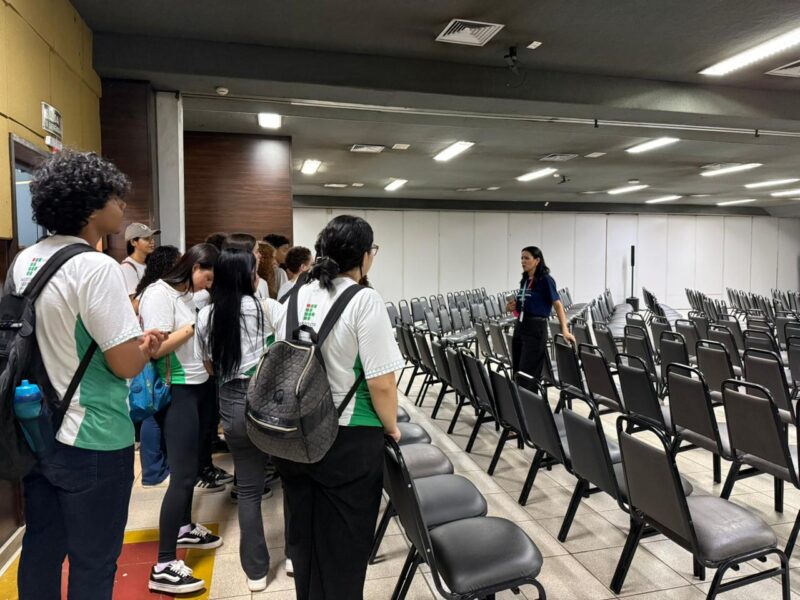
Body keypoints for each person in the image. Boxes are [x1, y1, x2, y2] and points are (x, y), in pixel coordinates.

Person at [8, 150, 166, 600]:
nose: (123, 206)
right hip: (93, 434)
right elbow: (124, 364)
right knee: (94, 562)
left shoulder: (24, 260)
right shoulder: (96, 267)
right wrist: (146, 348)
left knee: (41, 548)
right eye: (116, 197)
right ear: (91, 206)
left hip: (37, 427)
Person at [273, 215, 404, 600]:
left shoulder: (293, 296)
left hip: (293, 437)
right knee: (343, 552)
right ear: (364, 256)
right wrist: (391, 426)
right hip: (346, 440)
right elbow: (381, 382)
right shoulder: (364, 299)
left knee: (305, 542)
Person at [195, 248, 285, 592]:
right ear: (250, 277)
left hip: (232, 403)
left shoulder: (206, 315)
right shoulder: (267, 308)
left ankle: (256, 572)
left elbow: (209, 367)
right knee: (291, 481)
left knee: (248, 490)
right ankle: (294, 557)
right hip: (272, 402)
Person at [138, 243, 224, 595]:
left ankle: (185, 528)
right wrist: (192, 326)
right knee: (183, 476)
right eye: (208, 277)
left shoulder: (185, 295)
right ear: (194, 267)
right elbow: (156, 348)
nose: (208, 285)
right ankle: (163, 564)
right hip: (177, 391)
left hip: (197, 386)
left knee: (190, 471)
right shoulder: (158, 294)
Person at [133, 245, 182, 488]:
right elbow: (157, 337)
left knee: (156, 412)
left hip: (150, 360)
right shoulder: (156, 292)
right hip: (154, 361)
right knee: (152, 413)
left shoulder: (147, 290)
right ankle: (153, 471)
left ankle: (157, 468)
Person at [507, 246, 576, 384]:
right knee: (517, 372)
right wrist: (510, 307)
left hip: (536, 329)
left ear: (537, 260)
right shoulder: (525, 281)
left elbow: (558, 305)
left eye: (527, 258)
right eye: (522, 258)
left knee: (528, 374)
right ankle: (519, 397)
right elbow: (520, 308)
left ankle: (528, 397)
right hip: (520, 327)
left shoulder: (545, 280)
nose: (523, 261)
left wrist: (565, 329)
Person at [223, 233, 270, 300]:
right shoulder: (221, 285)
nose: (260, 255)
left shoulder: (262, 284)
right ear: (242, 256)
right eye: (256, 251)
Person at [120, 222, 160, 297]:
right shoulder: (127, 268)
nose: (152, 242)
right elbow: (133, 301)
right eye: (146, 239)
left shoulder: (148, 264)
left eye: (152, 238)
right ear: (133, 242)